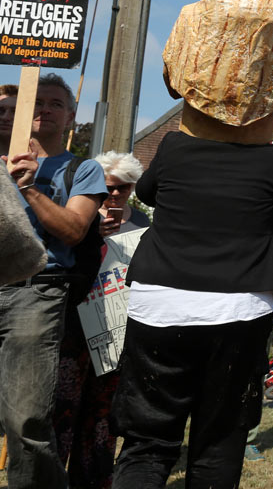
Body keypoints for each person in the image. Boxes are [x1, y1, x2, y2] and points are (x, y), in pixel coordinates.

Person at [112, 0, 273, 488]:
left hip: (159, 302)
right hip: (238, 310)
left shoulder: (175, 149)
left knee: (146, 444)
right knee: (217, 442)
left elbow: (151, 194)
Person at [2, 74, 106, 489]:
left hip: (36, 292)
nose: (44, 109)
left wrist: (29, 188)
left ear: (70, 116)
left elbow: (74, 230)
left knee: (25, 418)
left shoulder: (83, 169)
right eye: (37, 102)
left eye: (55, 103)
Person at [53, 151, 148, 489]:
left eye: (122, 188)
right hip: (73, 326)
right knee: (62, 411)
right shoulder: (72, 218)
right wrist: (93, 234)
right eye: (107, 187)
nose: (113, 195)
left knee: (102, 418)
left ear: (133, 188)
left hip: (116, 332)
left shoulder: (144, 225)